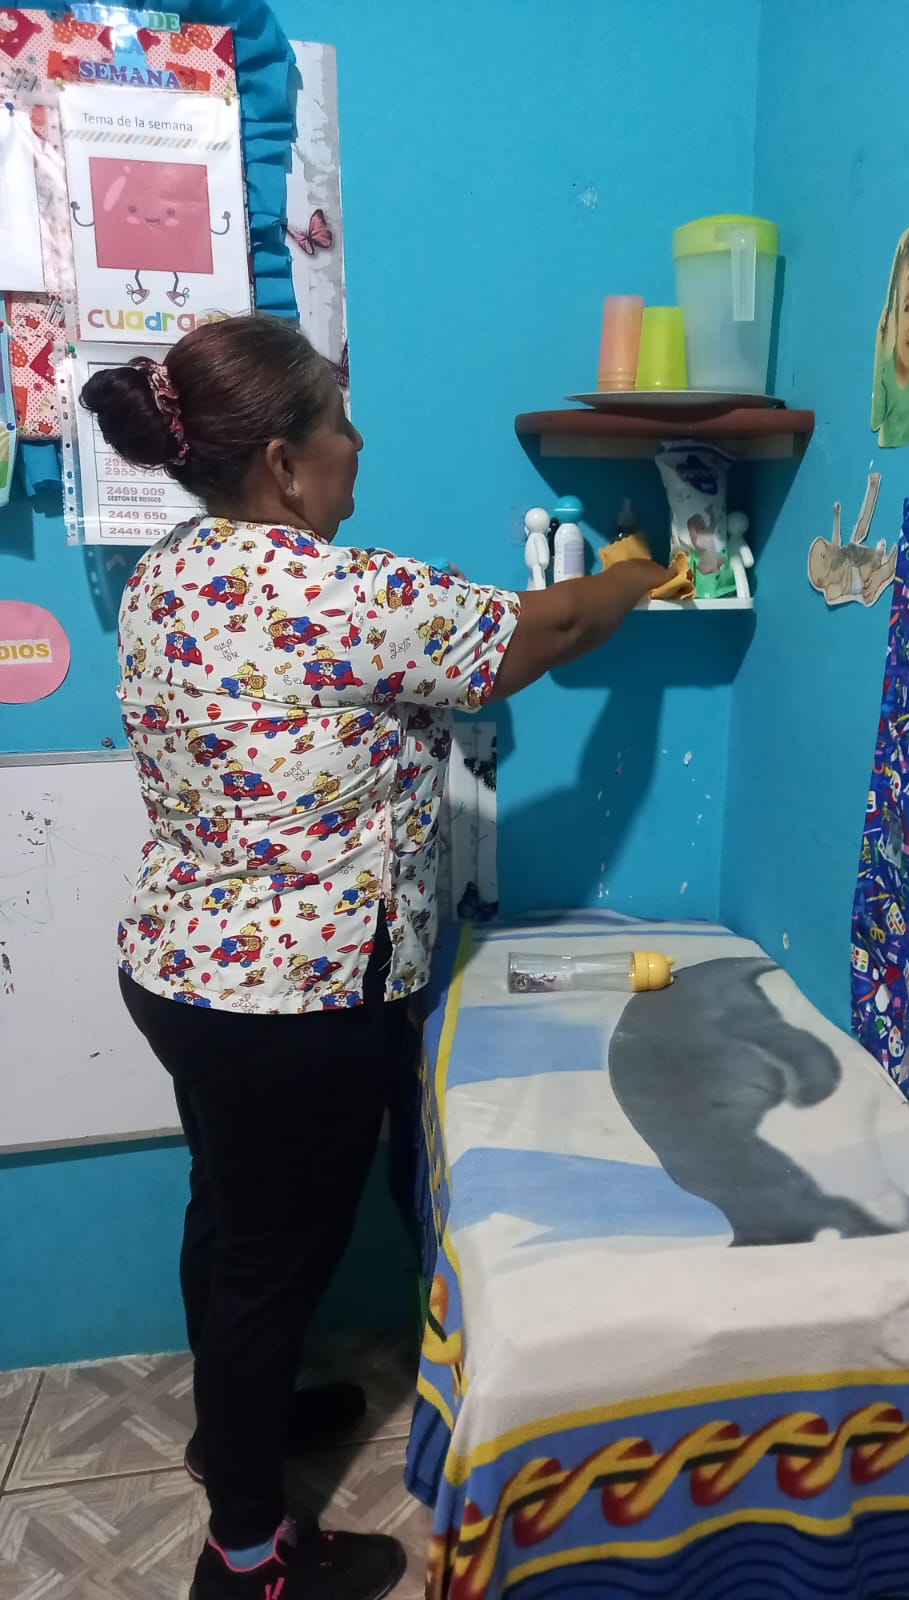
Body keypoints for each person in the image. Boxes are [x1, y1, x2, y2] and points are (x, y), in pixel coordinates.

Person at [82, 313, 671, 1600]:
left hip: (181, 973)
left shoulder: (168, 570)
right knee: (266, 1257)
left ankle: (230, 1432)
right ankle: (247, 1556)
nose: (360, 443)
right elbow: (553, 628)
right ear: (283, 463)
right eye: (340, 424)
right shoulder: (343, 593)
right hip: (288, 1003)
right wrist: (639, 573)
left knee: (228, 1219)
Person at [871, 224, 909, 448]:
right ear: (893, 312)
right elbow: (875, 421)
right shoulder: (886, 366)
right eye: (906, 308)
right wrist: (880, 351)